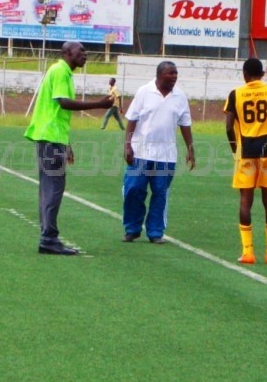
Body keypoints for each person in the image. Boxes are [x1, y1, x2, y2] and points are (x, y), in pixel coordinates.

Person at [25, 41, 114, 255]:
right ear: (67, 53)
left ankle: (48, 237)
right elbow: (64, 103)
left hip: (52, 137)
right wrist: (98, 104)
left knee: (49, 188)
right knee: (53, 188)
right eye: (80, 51)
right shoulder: (60, 71)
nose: (85, 54)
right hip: (50, 137)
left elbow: (58, 113)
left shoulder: (61, 71)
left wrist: (67, 143)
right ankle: (49, 238)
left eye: (85, 51)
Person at [224, 58, 267, 265]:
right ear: (262, 74)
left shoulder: (236, 93)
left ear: (244, 74)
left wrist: (235, 150)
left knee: (245, 201)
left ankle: (248, 253)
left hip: (245, 153)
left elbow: (228, 127)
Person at [122, 61, 195, 244]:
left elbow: (185, 124)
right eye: (171, 73)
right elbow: (132, 119)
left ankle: (155, 232)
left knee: (160, 193)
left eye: (176, 73)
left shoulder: (180, 96)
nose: (174, 76)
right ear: (160, 74)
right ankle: (132, 229)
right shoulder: (144, 92)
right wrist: (127, 145)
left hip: (166, 156)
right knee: (133, 190)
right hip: (140, 152)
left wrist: (190, 149)